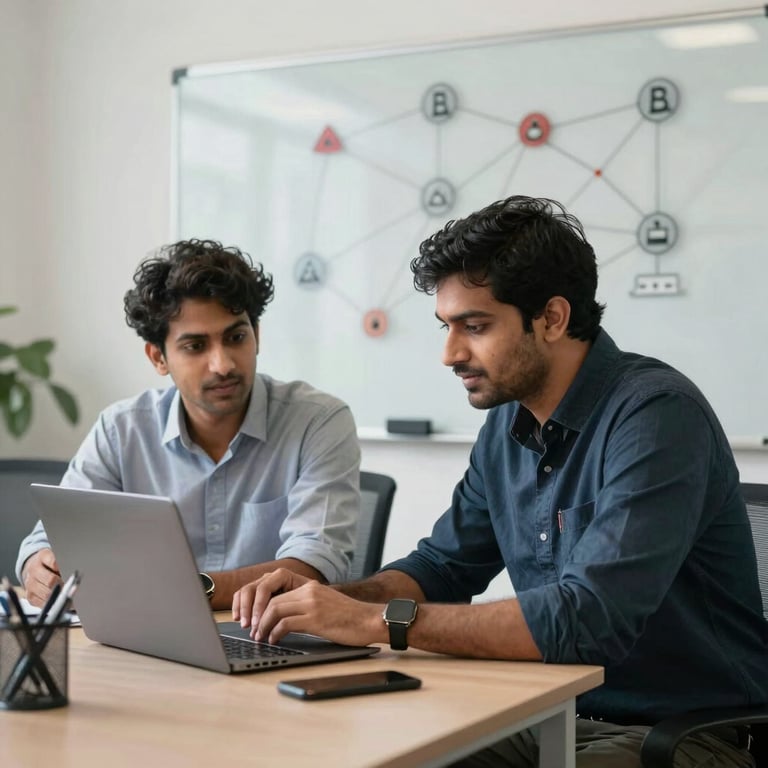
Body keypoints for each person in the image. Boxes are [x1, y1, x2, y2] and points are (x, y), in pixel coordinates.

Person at [232, 197, 768, 767]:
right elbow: (441, 569)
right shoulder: (505, 426)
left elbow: (588, 620)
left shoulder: (657, 416)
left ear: (553, 318)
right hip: (542, 711)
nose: (450, 353)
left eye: (476, 326)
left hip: (680, 735)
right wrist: (330, 601)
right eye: (446, 327)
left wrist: (374, 621)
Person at [17, 239, 361, 610]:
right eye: (196, 346)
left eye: (236, 337)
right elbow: (50, 541)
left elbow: (312, 568)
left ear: (256, 335)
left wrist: (185, 589)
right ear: (158, 357)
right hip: (148, 642)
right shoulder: (121, 430)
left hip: (270, 641)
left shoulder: (318, 422)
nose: (223, 364)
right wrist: (40, 567)